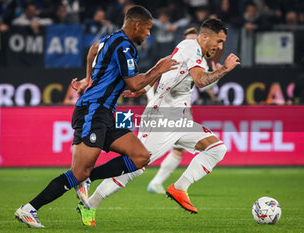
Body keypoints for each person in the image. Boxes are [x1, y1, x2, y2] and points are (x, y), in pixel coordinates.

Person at [14, 5, 178, 228]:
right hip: (93, 110)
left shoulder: (112, 38)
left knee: (140, 156)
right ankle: (29, 209)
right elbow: (134, 83)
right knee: (78, 171)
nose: (149, 33)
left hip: (105, 113)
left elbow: (93, 49)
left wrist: (88, 78)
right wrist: (159, 69)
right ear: (136, 25)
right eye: (147, 29)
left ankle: (88, 179)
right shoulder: (124, 47)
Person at [77, 18, 240, 226]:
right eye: (218, 41)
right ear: (205, 36)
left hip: (179, 120)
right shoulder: (192, 46)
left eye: (222, 43)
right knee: (136, 166)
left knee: (217, 148)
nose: (220, 47)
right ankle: (89, 199)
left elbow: (166, 62)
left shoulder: (190, 50)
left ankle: (180, 188)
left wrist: (145, 84)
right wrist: (225, 69)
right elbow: (200, 81)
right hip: (162, 117)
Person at [147, 26, 221, 194]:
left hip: (181, 111)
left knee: (177, 150)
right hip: (164, 111)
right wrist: (151, 99)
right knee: (144, 155)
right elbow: (151, 78)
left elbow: (205, 84)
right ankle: (155, 182)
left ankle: (157, 183)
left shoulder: (199, 62)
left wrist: (216, 73)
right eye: (190, 40)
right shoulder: (173, 58)